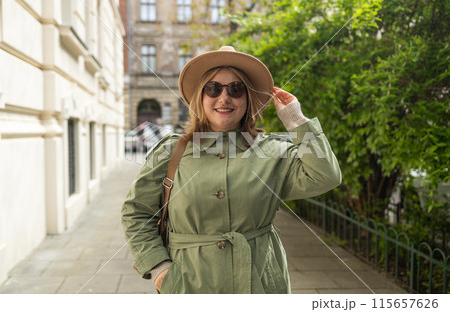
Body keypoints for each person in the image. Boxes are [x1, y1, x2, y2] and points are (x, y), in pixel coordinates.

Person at [121, 46, 342, 294]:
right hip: (188, 284)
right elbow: (136, 212)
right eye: (213, 89)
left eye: (236, 89)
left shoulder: (271, 151)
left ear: (247, 99)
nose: (224, 98)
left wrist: (297, 120)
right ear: (200, 97)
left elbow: (325, 176)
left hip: (259, 284)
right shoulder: (170, 151)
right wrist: (159, 268)